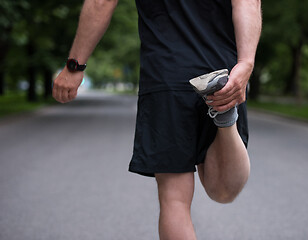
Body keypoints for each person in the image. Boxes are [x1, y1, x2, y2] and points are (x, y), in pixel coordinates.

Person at [52, 0, 262, 239]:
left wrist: (74, 66)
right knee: (222, 191)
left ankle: (223, 115)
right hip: (223, 71)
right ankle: (224, 117)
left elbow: (101, 2)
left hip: (167, 75)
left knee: (175, 199)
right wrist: (246, 63)